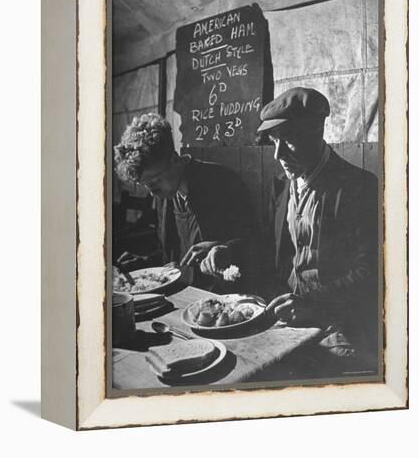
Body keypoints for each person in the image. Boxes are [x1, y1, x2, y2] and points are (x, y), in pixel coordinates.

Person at [258, 87, 379, 373]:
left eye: (287, 140)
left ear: (316, 130)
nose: (277, 154)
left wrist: (313, 303)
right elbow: (270, 250)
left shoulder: (357, 186)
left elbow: (369, 273)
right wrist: (229, 250)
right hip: (287, 314)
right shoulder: (281, 185)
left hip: (337, 321)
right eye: (274, 142)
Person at [114, 112, 252, 291]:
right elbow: (170, 257)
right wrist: (143, 263)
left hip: (220, 297)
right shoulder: (165, 196)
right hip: (182, 295)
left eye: (155, 182)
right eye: (145, 185)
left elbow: (256, 246)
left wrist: (224, 247)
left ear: (174, 159)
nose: (153, 193)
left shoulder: (221, 182)